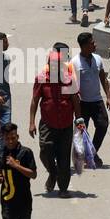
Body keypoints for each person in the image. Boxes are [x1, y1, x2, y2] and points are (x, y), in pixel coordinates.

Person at [29, 44, 78, 195]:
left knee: (64, 156)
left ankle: (63, 188)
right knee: (45, 149)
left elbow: (75, 100)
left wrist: (80, 120)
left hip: (66, 124)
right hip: (47, 123)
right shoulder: (42, 79)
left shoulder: (69, 79)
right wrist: (31, 122)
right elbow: (35, 101)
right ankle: (53, 172)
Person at [0, 123, 36, 219]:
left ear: (17, 136)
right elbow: (0, 173)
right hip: (7, 201)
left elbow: (33, 174)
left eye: (13, 138)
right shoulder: (0, 154)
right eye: (7, 138)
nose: (10, 141)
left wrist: (17, 166)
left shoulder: (26, 152)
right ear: (3, 138)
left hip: (24, 201)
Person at [74, 31, 110, 153]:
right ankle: (87, 154)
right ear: (84, 46)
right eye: (92, 43)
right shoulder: (75, 62)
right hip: (82, 103)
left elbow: (103, 78)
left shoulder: (98, 59)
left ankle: (92, 152)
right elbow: (73, 86)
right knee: (82, 130)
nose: (95, 44)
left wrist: (108, 96)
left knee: (103, 125)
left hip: (97, 100)